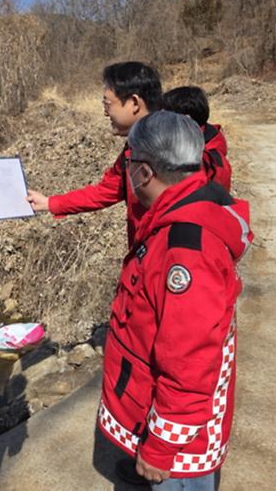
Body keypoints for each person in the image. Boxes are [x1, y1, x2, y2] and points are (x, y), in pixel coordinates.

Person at [97, 111, 252, 490]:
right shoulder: (177, 214)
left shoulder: (186, 248)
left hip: (181, 448)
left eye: (129, 164)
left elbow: (190, 359)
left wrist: (162, 444)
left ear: (144, 173)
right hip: (153, 409)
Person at [26, 61, 162, 247]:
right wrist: (50, 203)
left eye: (108, 104)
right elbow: (105, 191)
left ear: (134, 103)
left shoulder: (173, 148)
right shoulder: (133, 149)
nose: (106, 114)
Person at [162, 86, 232, 191]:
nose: (161, 123)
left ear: (186, 120)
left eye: (166, 117)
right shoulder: (197, 144)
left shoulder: (209, 162)